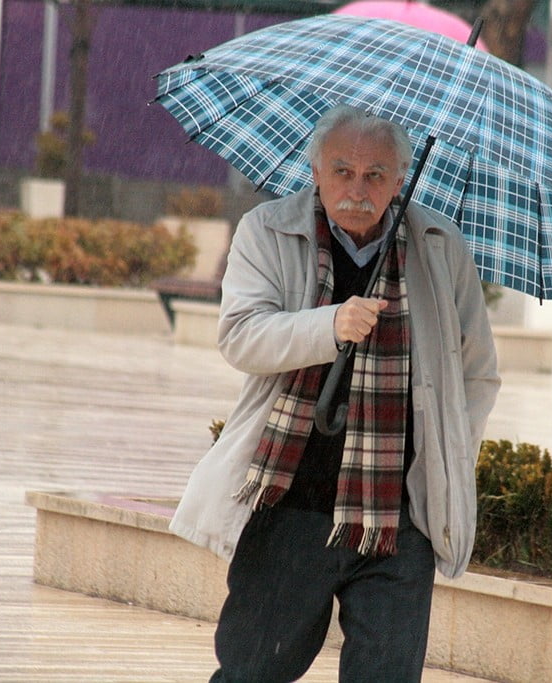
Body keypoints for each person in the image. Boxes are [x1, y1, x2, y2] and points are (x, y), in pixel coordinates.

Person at [169, 104, 501, 683]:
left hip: (399, 518)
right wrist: (330, 324)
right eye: (343, 171)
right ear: (315, 170)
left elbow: (477, 373)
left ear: (400, 179)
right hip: (290, 505)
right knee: (253, 671)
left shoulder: (438, 245)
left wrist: (446, 458)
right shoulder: (267, 230)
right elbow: (241, 336)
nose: (357, 189)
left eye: (376, 175)